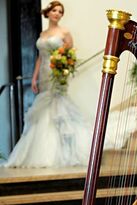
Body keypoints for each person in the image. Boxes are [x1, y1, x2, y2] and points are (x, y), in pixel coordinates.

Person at [1, 1, 92, 168]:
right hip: (43, 73)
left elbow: (70, 55)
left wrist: (63, 68)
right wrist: (34, 78)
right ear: (48, 12)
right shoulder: (43, 34)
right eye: (55, 10)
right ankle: (39, 149)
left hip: (57, 73)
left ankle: (64, 151)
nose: (57, 13)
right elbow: (40, 57)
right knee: (43, 107)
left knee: (57, 106)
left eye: (60, 11)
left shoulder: (65, 32)